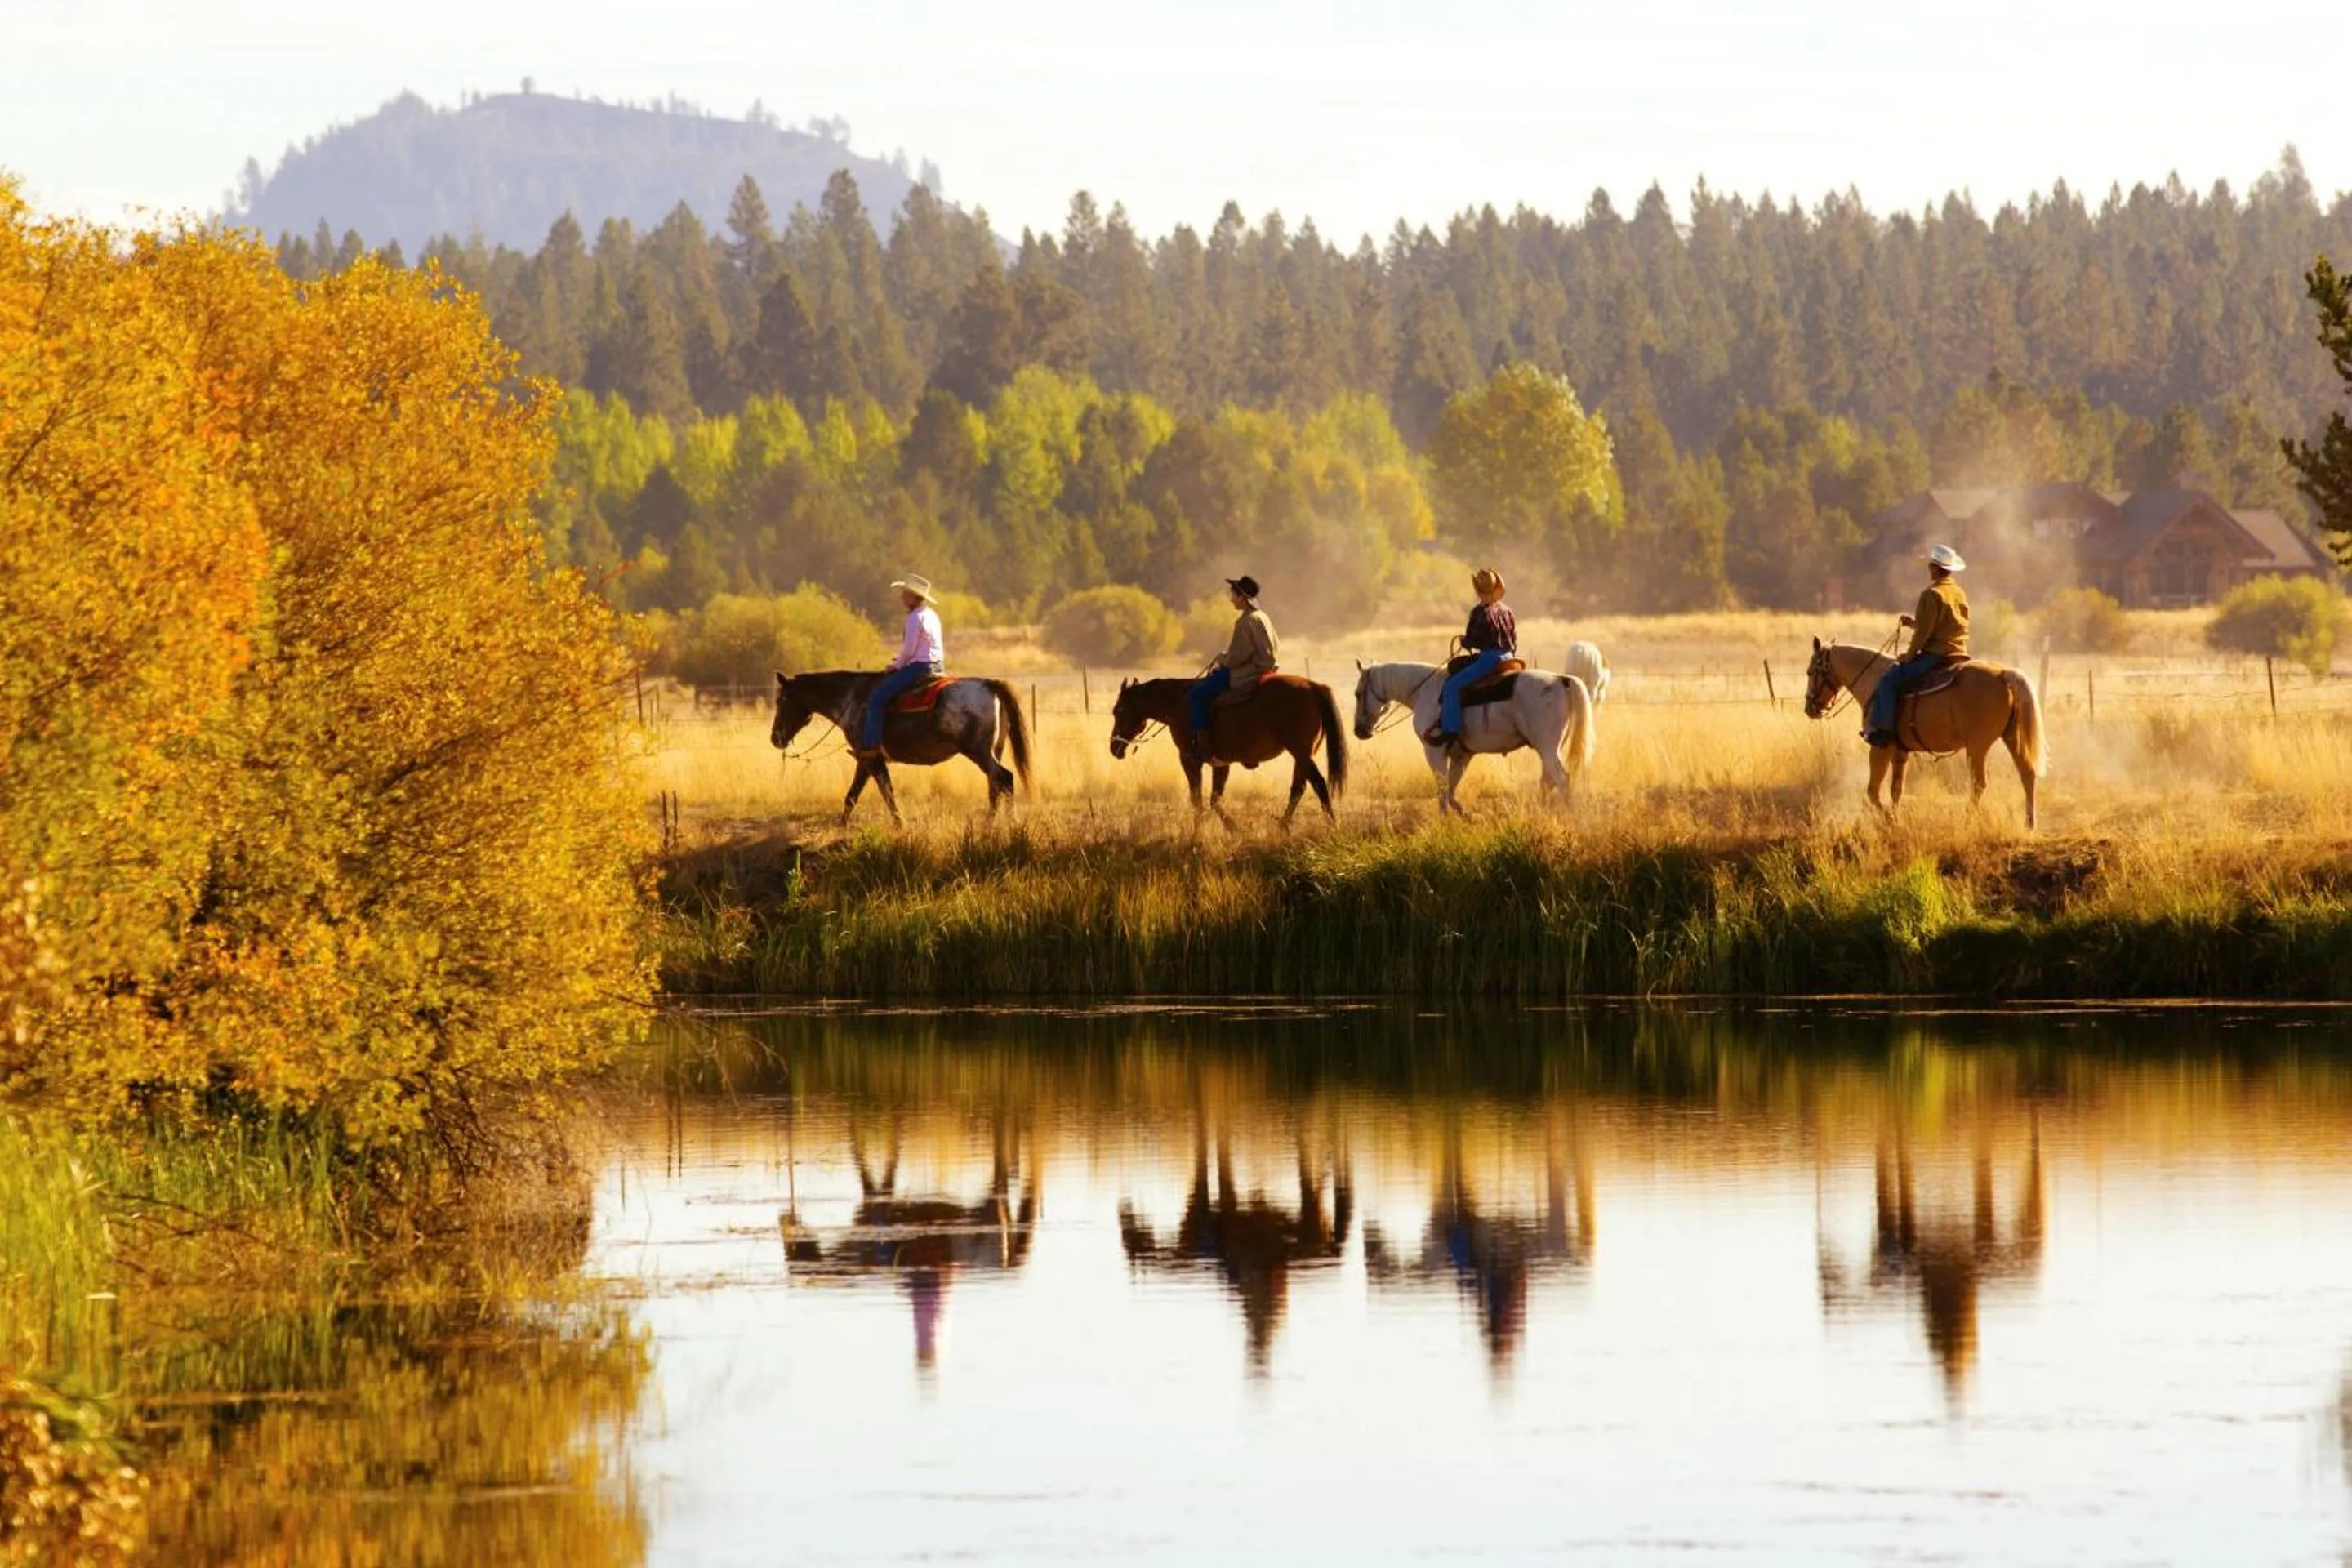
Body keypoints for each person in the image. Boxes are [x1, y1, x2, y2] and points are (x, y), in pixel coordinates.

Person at [1865, 544, 1970, 749]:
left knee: (1888, 680)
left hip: (1936, 655)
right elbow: (1942, 623)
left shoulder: (1932, 594)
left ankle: (1884, 731)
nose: (1929, 568)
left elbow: (1924, 634)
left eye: (1931, 565)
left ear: (1936, 568)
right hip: (1958, 653)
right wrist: (1914, 622)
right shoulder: (1959, 593)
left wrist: (1909, 656)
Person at [1425, 566, 1517, 749]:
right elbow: (1513, 638)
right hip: (1509, 657)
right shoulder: (1507, 610)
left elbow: (1472, 640)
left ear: (1478, 590)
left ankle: (1451, 731)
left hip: (1490, 660)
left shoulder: (1479, 612)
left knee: (1451, 686)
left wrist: (1464, 642)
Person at [1188, 575, 1279, 756]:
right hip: (1266, 668)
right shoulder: (1262, 616)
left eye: (1233, 596)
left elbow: (1236, 657)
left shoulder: (1245, 621)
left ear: (1242, 598)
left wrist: (1221, 659)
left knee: (1196, 695)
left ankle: (1204, 744)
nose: (1231, 600)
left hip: (1247, 673)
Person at [858, 574, 945, 760]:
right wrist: (902, 660)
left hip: (920, 667)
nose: (902, 598)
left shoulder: (914, 618)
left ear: (914, 597)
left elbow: (909, 650)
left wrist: (896, 665)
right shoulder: (931, 614)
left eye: (905, 594)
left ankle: (871, 747)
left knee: (876, 699)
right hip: (937, 665)